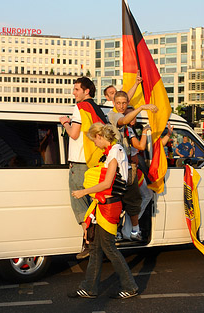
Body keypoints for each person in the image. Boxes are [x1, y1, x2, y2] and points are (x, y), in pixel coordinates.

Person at [68, 122, 139, 299]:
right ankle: (89, 287)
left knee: (107, 247)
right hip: (105, 204)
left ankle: (129, 286)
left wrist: (83, 192)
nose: (94, 144)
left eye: (94, 140)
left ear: (100, 137)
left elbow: (108, 183)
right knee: (96, 247)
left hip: (109, 206)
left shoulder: (114, 151)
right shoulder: (112, 152)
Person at [59, 77, 107, 259]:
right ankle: (94, 241)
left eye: (77, 89)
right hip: (95, 163)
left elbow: (74, 133)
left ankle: (89, 242)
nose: (74, 92)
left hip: (80, 164)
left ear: (87, 91)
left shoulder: (80, 108)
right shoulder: (98, 110)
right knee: (93, 205)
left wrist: (64, 121)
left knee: (80, 204)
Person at [108, 90, 158, 241]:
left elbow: (141, 146)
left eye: (124, 103)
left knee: (134, 200)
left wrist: (136, 84)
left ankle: (132, 230)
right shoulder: (113, 116)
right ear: (113, 104)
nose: (122, 106)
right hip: (116, 168)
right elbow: (123, 120)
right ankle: (118, 230)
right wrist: (142, 107)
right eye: (119, 103)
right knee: (117, 201)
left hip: (129, 169)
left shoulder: (128, 129)